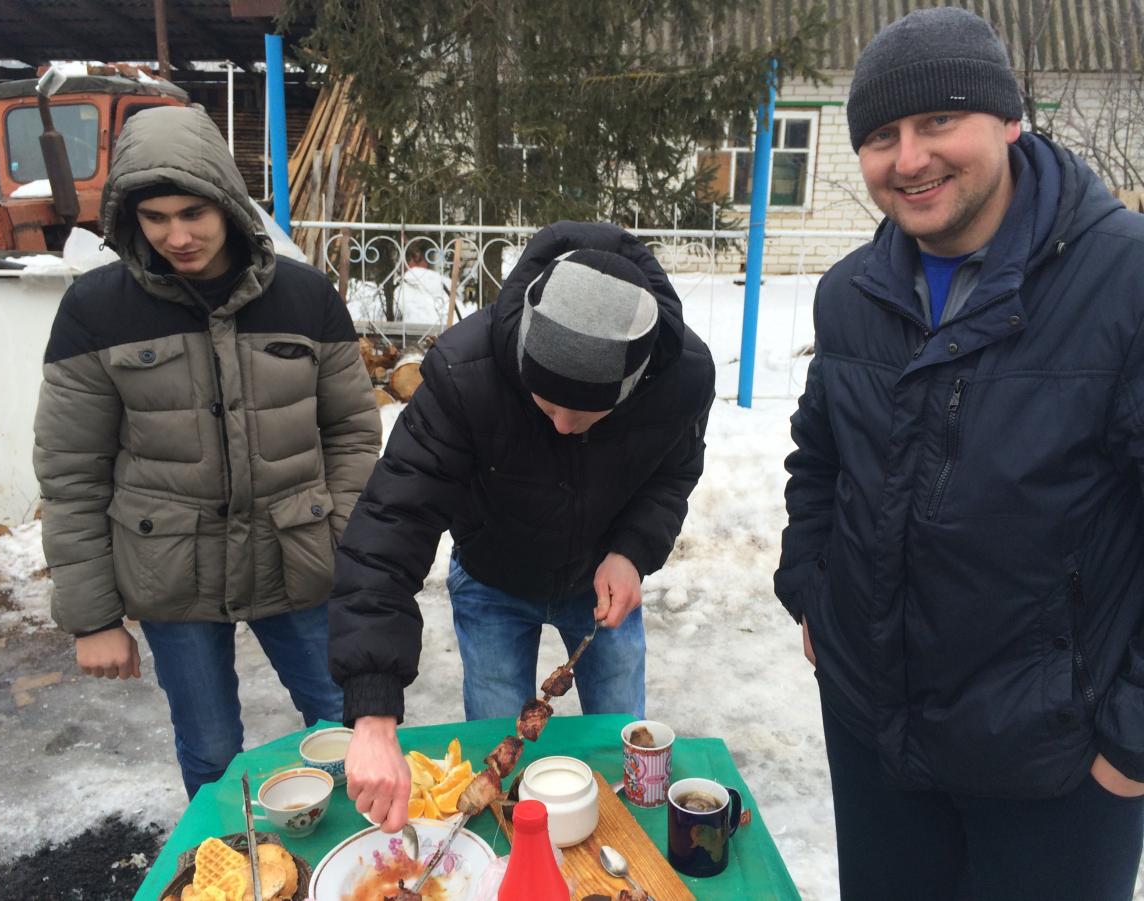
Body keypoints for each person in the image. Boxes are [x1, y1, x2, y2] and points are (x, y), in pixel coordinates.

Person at [775, 7, 1144, 900]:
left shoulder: (1125, 284)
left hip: (1056, 765)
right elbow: (819, 459)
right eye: (881, 136)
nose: (909, 159)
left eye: (938, 121)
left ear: (1009, 120)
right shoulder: (851, 295)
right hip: (879, 739)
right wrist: (814, 594)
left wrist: (1131, 738)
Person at [32, 105, 381, 798]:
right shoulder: (95, 310)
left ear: (227, 201)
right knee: (212, 752)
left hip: (298, 561)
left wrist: (337, 529)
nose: (177, 235)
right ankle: (227, 868)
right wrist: (95, 616)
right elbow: (73, 471)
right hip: (172, 574)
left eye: (193, 211)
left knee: (345, 727)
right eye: (155, 217)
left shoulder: (306, 296)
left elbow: (353, 432)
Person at [330, 221, 716, 829]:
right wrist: (373, 710)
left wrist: (631, 551)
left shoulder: (683, 376)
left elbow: (672, 474)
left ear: (635, 383)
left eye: (586, 412)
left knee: (621, 741)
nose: (562, 426)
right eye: (546, 405)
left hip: (600, 584)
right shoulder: (466, 372)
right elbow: (391, 524)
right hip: (492, 579)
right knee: (495, 764)